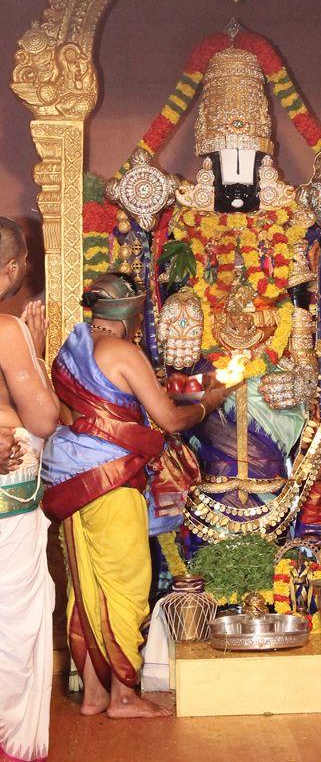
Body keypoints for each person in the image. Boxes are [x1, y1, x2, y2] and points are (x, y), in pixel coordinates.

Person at [41, 273, 233, 719]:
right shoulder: (123, 352)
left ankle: (93, 695)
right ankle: (124, 696)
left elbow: (75, 413)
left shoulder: (69, 352)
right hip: (111, 482)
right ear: (129, 313)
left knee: (87, 588)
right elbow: (169, 421)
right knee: (126, 588)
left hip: (70, 485)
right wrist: (211, 402)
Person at [0, 217, 60, 761]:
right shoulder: (6, 329)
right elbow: (42, 420)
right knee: (10, 625)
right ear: (14, 268)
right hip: (6, 502)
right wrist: (34, 356)